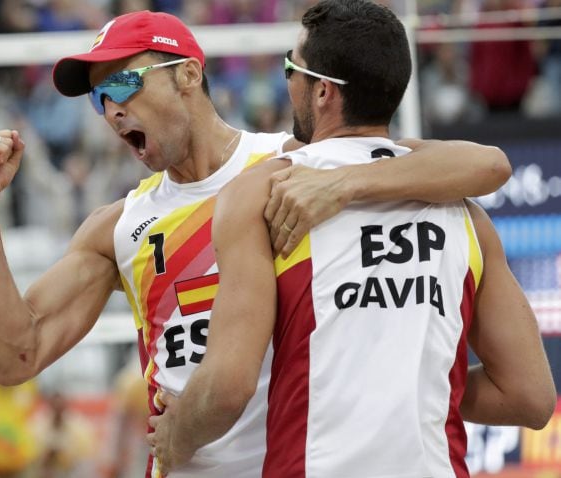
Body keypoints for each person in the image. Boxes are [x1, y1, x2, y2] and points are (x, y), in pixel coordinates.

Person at [0, 10, 512, 478]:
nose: (112, 111)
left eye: (124, 85)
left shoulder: (297, 161)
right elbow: (17, 357)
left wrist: (347, 182)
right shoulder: (118, 225)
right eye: (99, 99)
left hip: (299, 461)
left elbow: (482, 164)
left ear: (187, 73)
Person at [148, 1, 556, 476]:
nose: (287, 81)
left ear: (322, 92)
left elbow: (227, 388)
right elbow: (531, 396)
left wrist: (176, 437)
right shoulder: (464, 213)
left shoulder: (263, 197)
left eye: (290, 67)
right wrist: (404, 378)